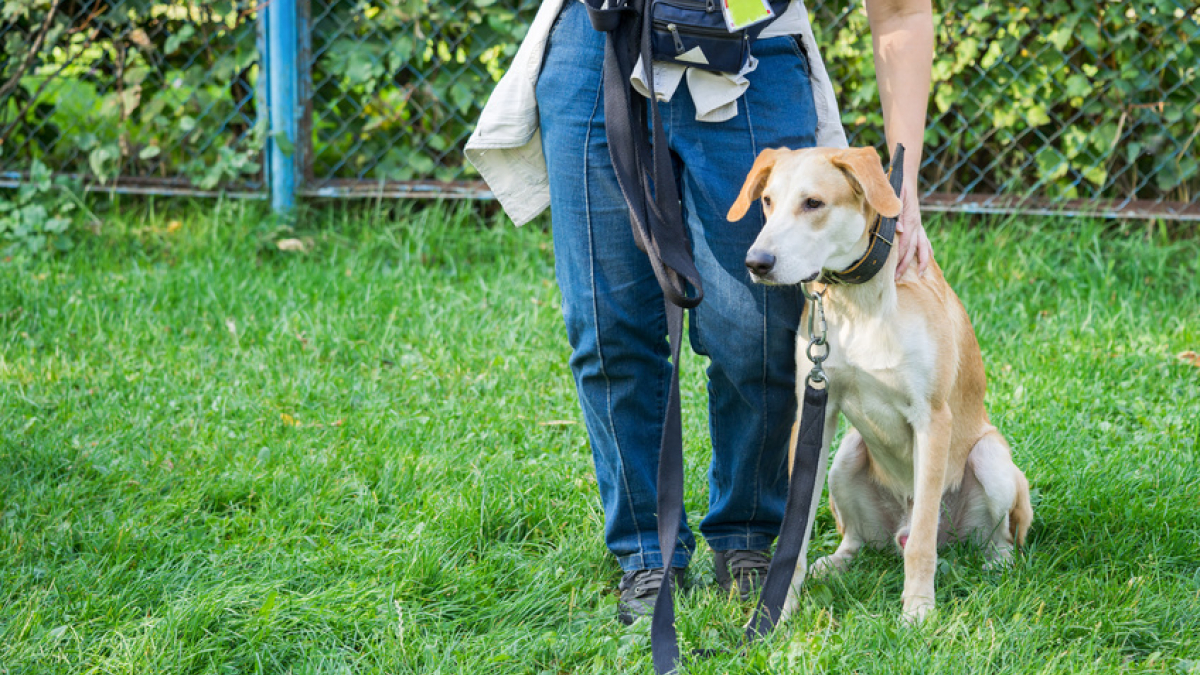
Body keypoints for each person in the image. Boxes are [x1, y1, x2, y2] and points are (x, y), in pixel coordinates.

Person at [467, 0, 934, 624]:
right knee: (609, 328)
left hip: (751, 44)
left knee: (757, 331)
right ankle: (645, 552)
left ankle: (744, 537)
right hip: (598, 41)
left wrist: (903, 185)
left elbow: (900, 11)